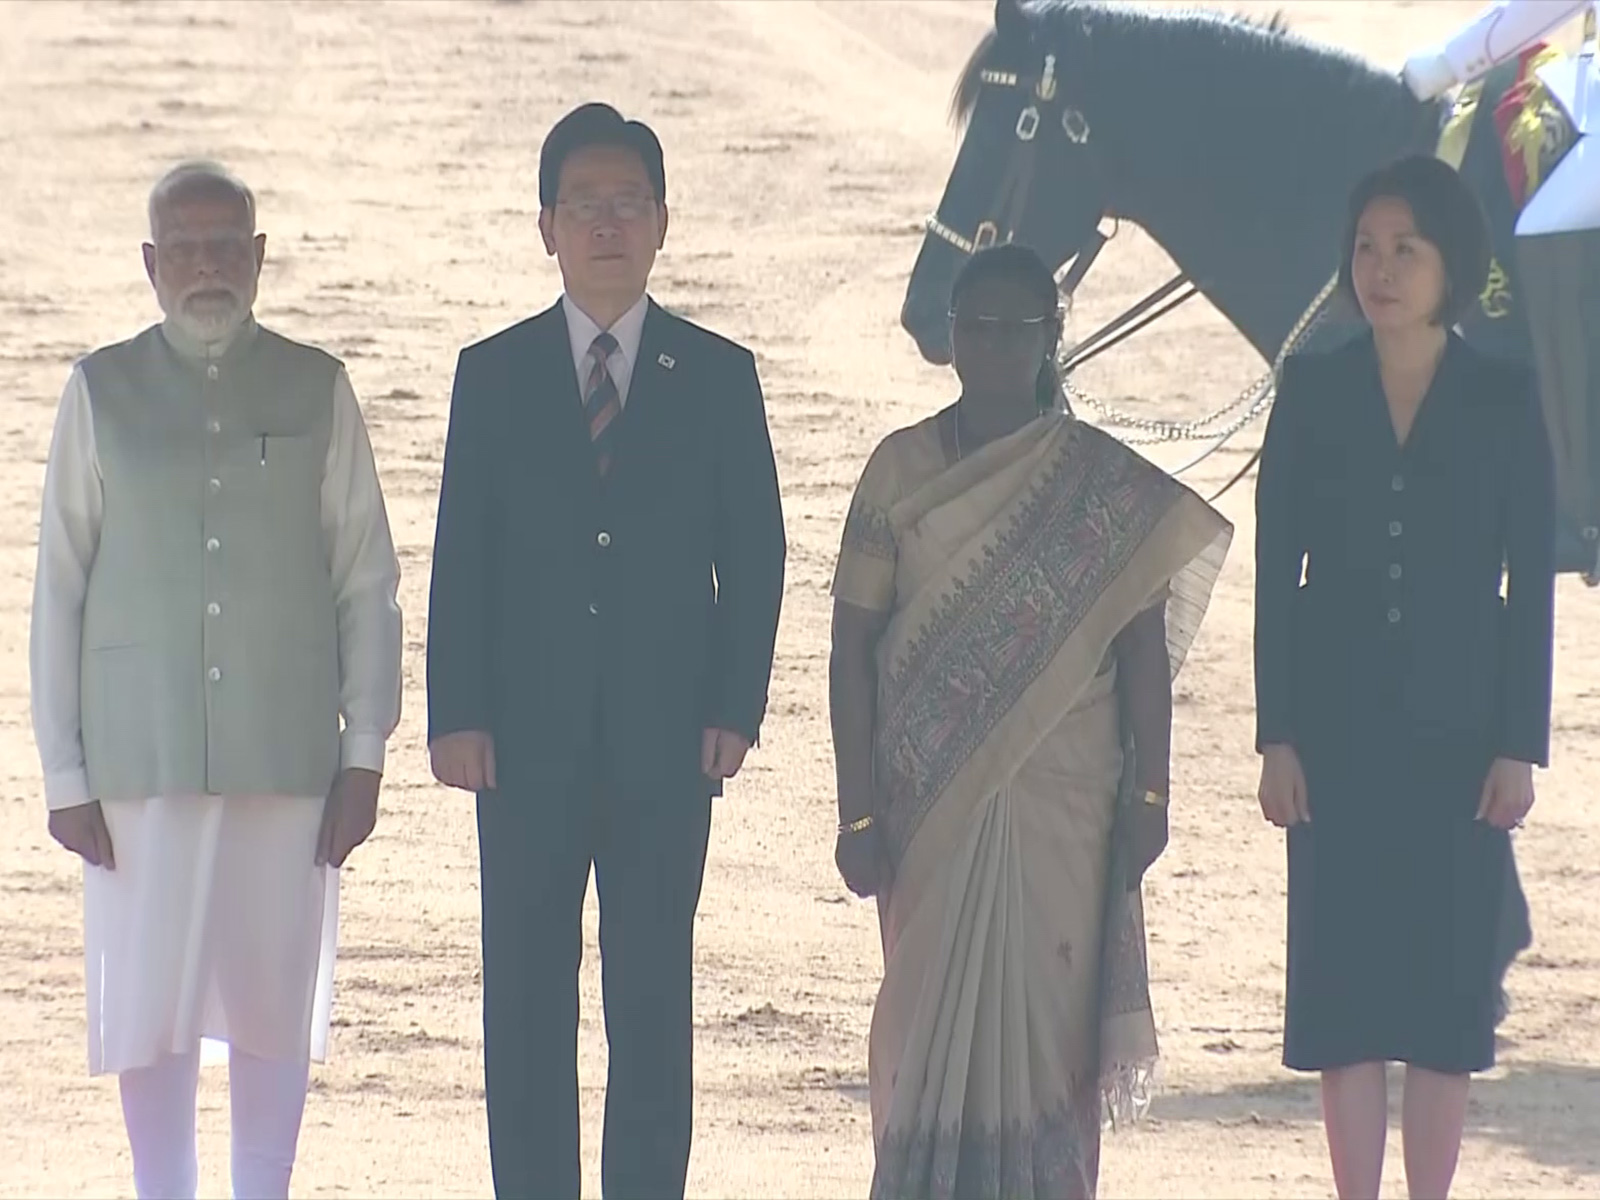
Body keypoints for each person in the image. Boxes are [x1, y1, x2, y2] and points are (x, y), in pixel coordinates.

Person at [424, 102, 787, 1200]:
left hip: (667, 745)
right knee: (525, 1002)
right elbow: (461, 555)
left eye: (629, 203)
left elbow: (757, 552)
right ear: (546, 226)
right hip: (520, 748)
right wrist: (457, 713)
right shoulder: (490, 374)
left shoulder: (718, 375)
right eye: (584, 205)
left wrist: (736, 706)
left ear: (664, 221)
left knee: (649, 1002)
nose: (608, 224)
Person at [27, 159, 404, 1200]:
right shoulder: (98, 389)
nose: (205, 265)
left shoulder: (316, 384)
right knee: (148, 1007)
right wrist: (64, 772)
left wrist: (364, 751)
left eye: (224, 245)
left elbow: (366, 578)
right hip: (134, 763)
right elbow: (58, 585)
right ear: (151, 264)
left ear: (260, 258)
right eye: (183, 247)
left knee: (272, 1003)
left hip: (286, 757)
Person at [830, 242, 1233, 1198]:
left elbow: (1141, 657)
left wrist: (1150, 795)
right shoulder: (900, 469)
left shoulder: (1100, 485)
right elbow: (851, 649)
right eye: (979, 328)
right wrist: (855, 817)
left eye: (1022, 330)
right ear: (952, 340)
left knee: (1051, 1043)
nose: (999, 348)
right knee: (926, 1027)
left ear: (1054, 340)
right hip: (931, 805)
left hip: (1070, 806)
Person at [1253, 154, 1557, 1200]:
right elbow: (1274, 570)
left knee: (1441, 1005)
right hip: (1332, 743)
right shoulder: (1311, 385)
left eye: (1405, 250)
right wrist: (1275, 734)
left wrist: (1520, 742)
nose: (1379, 269)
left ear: (1448, 266)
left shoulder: (1506, 394)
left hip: (1461, 742)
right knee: (1342, 997)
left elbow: (1530, 583)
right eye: (1366, 248)